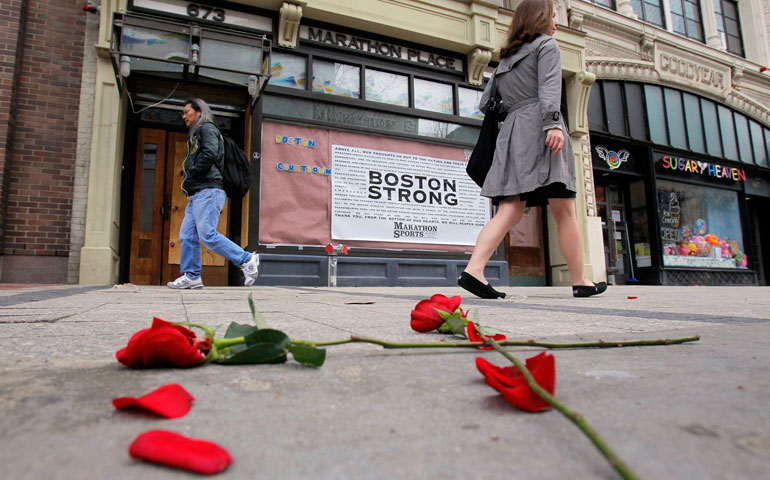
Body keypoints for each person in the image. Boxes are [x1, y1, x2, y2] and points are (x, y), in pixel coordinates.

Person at [458, 0, 606, 299]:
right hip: (540, 126)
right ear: (540, 18)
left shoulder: (506, 59)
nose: (555, 21)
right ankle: (580, 279)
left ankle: (474, 268)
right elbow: (550, 86)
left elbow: (486, 102)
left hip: (513, 133)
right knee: (564, 208)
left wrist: (515, 106)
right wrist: (552, 123)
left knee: (510, 208)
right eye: (552, 15)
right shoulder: (546, 45)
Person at [167, 98, 260, 289]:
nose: (184, 116)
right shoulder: (197, 133)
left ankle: (246, 259)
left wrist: (193, 172)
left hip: (209, 191)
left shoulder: (207, 128)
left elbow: (210, 153)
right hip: (198, 193)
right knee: (187, 236)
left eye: (187, 112)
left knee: (207, 234)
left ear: (199, 111)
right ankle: (192, 276)